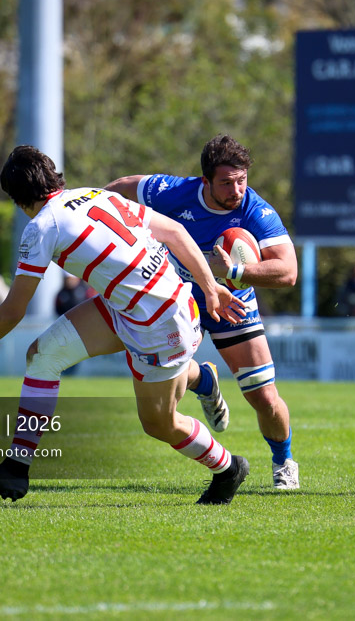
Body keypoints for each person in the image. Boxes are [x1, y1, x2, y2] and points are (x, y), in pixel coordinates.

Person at [0, 145, 251, 505]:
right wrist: (208, 285)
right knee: (42, 355)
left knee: (159, 424)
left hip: (160, 324)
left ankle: (228, 468)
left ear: (17, 198)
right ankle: (15, 469)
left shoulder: (41, 226)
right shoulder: (94, 195)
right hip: (141, 306)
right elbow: (174, 233)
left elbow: (15, 308)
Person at [104, 134, 301, 490]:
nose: (236, 190)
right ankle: (204, 381)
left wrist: (234, 273)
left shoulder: (254, 209)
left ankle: (283, 460)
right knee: (168, 402)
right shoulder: (173, 192)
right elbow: (121, 188)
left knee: (264, 397)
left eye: (241, 180)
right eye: (226, 183)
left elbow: (288, 272)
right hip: (176, 301)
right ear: (205, 180)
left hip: (232, 306)